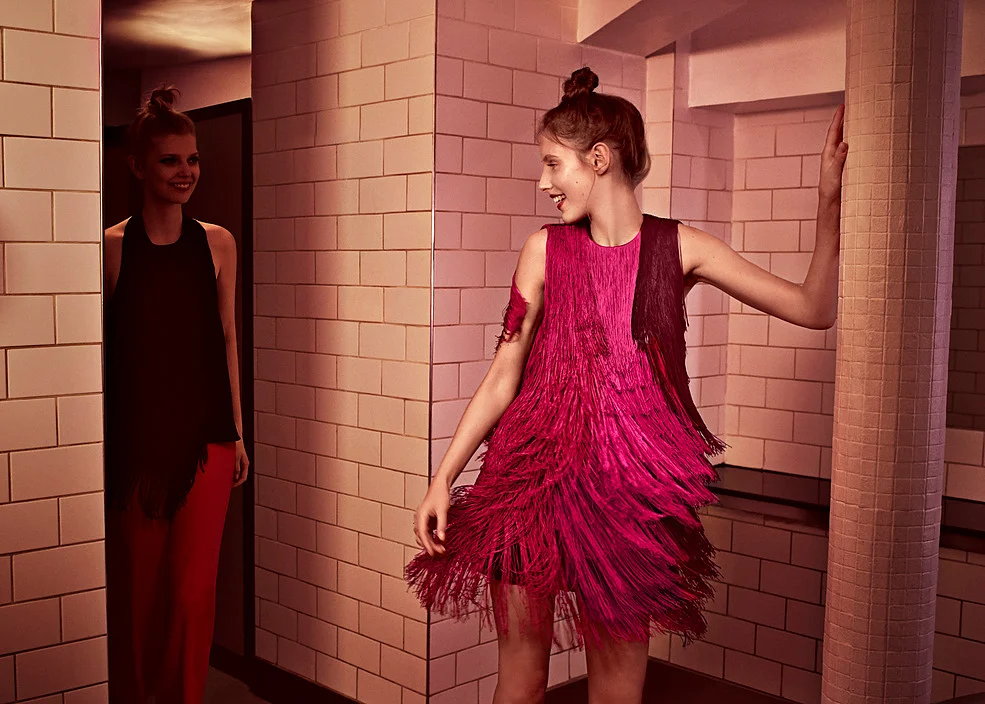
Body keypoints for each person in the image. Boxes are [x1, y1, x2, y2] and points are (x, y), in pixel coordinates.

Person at [407, 67, 847, 704]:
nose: (543, 182)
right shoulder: (544, 250)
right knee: (521, 682)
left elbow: (814, 308)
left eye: (553, 164)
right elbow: (504, 374)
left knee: (616, 692)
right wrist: (442, 478)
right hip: (528, 483)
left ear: (599, 159)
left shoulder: (682, 247)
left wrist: (828, 204)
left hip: (624, 496)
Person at [103, 86, 250, 704]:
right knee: (140, 593)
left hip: (208, 439)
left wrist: (238, 432)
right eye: (170, 160)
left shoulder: (217, 243)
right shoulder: (111, 249)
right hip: (137, 444)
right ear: (138, 166)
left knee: (193, 594)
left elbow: (227, 339)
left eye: (192, 159)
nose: (185, 171)